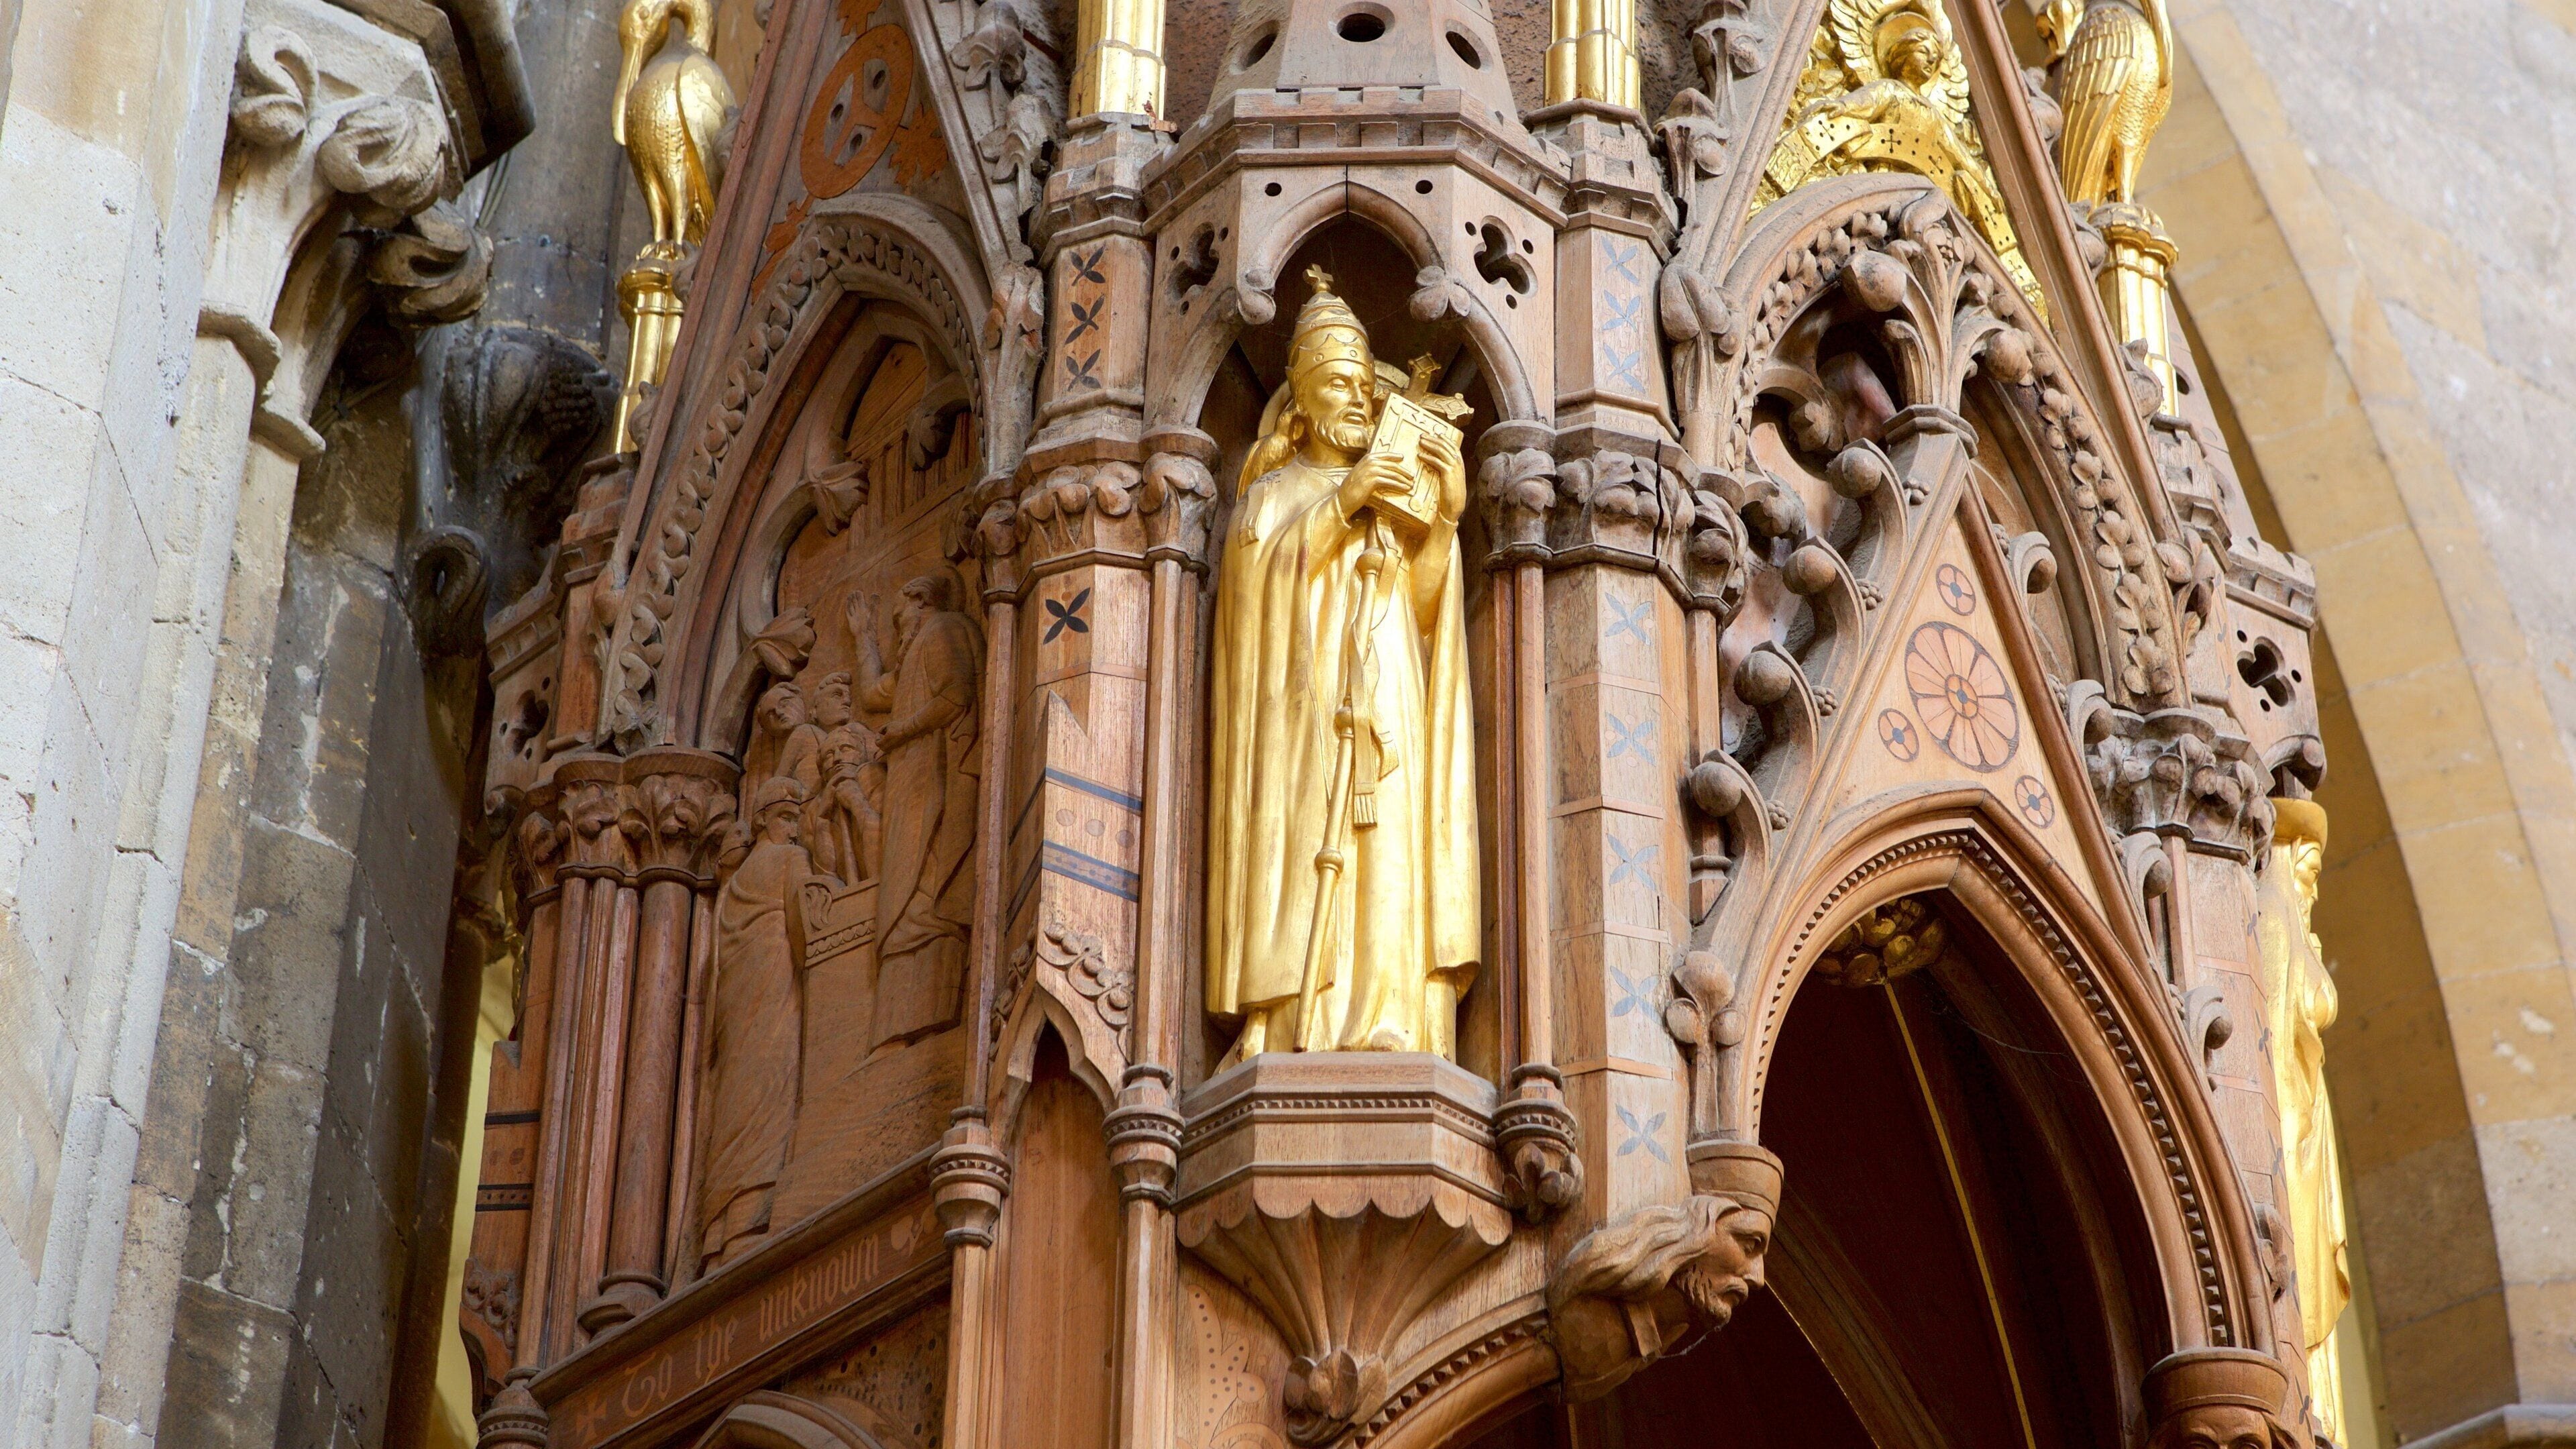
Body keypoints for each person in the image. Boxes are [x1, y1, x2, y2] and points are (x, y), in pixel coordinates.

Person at [1205, 266, 1481, 1063]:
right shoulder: (1272, 494)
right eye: (1338, 383)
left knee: (1390, 850)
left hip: (1388, 706)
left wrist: (1447, 522)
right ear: (1300, 401)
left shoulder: (1396, 498)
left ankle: (1391, 1018)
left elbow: (1428, 618)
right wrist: (1342, 501)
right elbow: (1256, 596)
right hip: (1302, 723)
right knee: (1306, 854)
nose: (1358, 398)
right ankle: (1300, 1026)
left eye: (1365, 384)